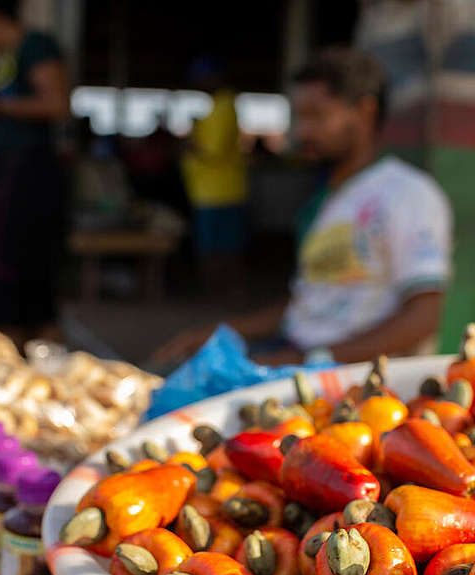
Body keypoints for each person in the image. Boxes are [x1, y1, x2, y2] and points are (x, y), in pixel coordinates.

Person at [153, 48, 452, 367]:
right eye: (300, 117)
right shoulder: (326, 200)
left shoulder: (407, 193)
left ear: (364, 111)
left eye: (316, 116)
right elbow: (307, 305)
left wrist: (307, 360)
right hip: (298, 354)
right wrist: (217, 333)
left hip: (351, 379)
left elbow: (423, 318)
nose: (302, 131)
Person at [0, 0, 69, 343]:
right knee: (17, 278)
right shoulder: (9, 60)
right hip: (11, 173)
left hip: (28, 175)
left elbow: (56, 104)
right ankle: (28, 357)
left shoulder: (36, 45)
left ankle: (17, 359)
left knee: (18, 274)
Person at [181, 57, 248, 291]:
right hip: (211, 190)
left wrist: (189, 143)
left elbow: (212, 151)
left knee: (219, 248)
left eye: (203, 78)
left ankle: (218, 292)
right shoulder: (216, 107)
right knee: (218, 245)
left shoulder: (223, 106)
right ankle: (218, 292)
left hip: (219, 192)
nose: (199, 84)